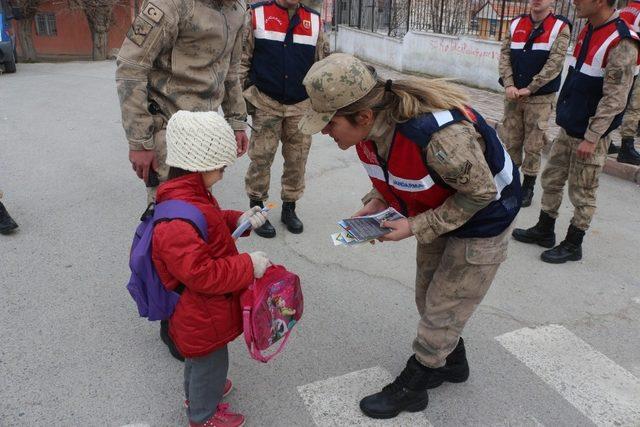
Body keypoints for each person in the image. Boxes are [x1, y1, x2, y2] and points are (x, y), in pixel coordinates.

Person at [298, 53, 521, 419]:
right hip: (438, 208)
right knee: (427, 293)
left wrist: (415, 226)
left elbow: (481, 194)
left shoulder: (439, 137)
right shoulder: (369, 133)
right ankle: (452, 362)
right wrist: (374, 202)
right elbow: (394, 176)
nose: (324, 131)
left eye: (329, 123)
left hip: (484, 219)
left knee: (442, 308)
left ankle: (416, 384)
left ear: (364, 116)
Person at [116, 0, 249, 360]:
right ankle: (170, 317)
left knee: (202, 216)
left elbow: (233, 69)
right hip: (167, 135)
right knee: (171, 229)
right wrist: (139, 140)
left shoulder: (238, 9)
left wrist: (237, 120)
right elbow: (131, 66)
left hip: (206, 136)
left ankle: (198, 310)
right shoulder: (171, 5)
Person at [151, 110, 270, 427]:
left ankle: (199, 393)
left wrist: (240, 220)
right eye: (220, 166)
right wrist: (248, 265)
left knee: (197, 360)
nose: (224, 171)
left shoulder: (192, 195)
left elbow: (213, 224)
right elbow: (201, 274)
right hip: (200, 311)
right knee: (210, 361)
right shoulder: (177, 220)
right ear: (199, 166)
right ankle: (203, 416)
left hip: (201, 310)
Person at [513, 0, 639, 264]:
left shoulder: (622, 40)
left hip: (590, 135)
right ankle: (544, 230)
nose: (574, 2)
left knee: (583, 191)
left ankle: (573, 243)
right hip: (570, 127)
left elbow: (615, 98)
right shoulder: (588, 28)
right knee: (552, 179)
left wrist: (593, 137)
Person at [239, 0, 330, 238]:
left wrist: (321, 105)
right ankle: (257, 211)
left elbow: (322, 66)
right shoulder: (256, 14)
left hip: (300, 105)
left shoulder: (314, 21)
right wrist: (242, 101)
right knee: (261, 159)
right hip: (265, 102)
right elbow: (241, 61)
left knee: (297, 160)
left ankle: (290, 208)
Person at [498, 0, 572, 207]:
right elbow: (504, 55)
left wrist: (531, 87)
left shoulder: (560, 26)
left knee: (533, 144)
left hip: (539, 98)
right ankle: (510, 184)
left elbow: (555, 63)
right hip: (513, 95)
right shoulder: (516, 23)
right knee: (511, 140)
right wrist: (509, 84)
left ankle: (527, 187)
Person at [616, 0, 640, 165]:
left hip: (620, 61)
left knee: (616, 102)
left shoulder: (626, 9)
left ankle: (607, 140)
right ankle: (626, 146)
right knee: (634, 106)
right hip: (636, 63)